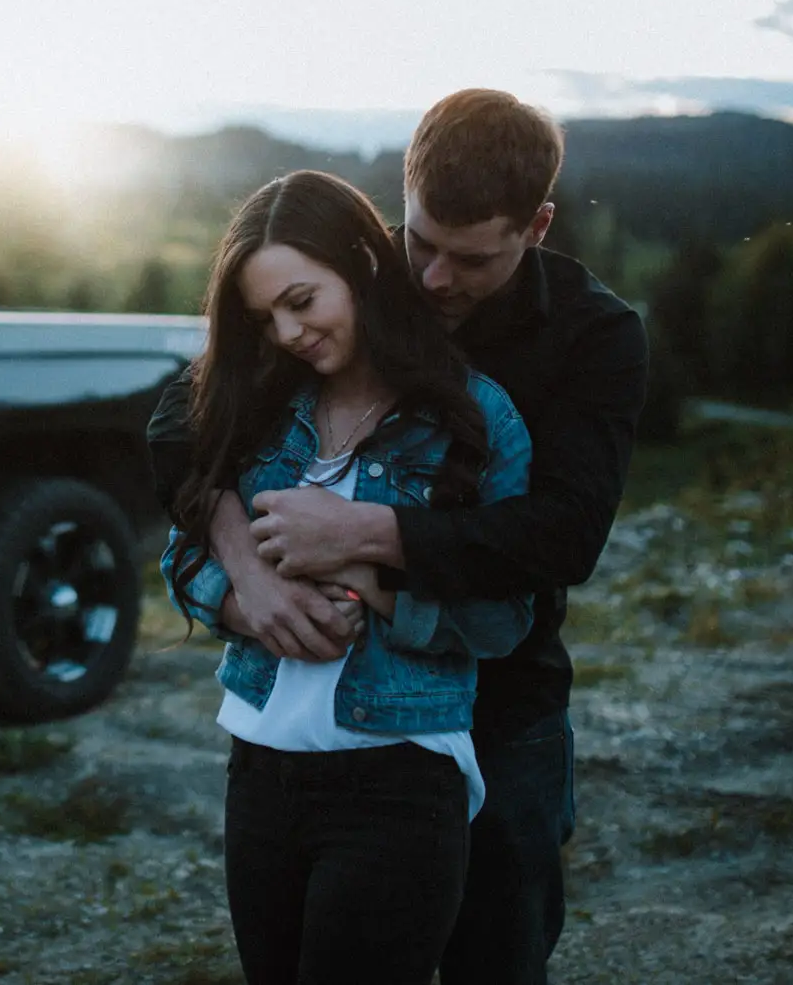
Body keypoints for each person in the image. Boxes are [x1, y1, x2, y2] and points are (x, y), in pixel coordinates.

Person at [149, 90, 648, 985]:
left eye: (469, 258)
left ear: (535, 227)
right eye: (418, 241)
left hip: (502, 702)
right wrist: (240, 568)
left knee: (496, 952)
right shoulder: (357, 294)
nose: (433, 279)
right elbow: (177, 426)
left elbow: (564, 536)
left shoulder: (594, 334)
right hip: (297, 749)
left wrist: (361, 536)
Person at [159, 168, 536, 984]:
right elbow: (180, 555)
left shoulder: (473, 419)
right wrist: (243, 598)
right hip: (258, 769)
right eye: (266, 318)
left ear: (364, 262)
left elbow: (507, 619)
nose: (288, 332)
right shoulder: (260, 407)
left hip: (397, 778)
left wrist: (372, 578)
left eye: (302, 300)